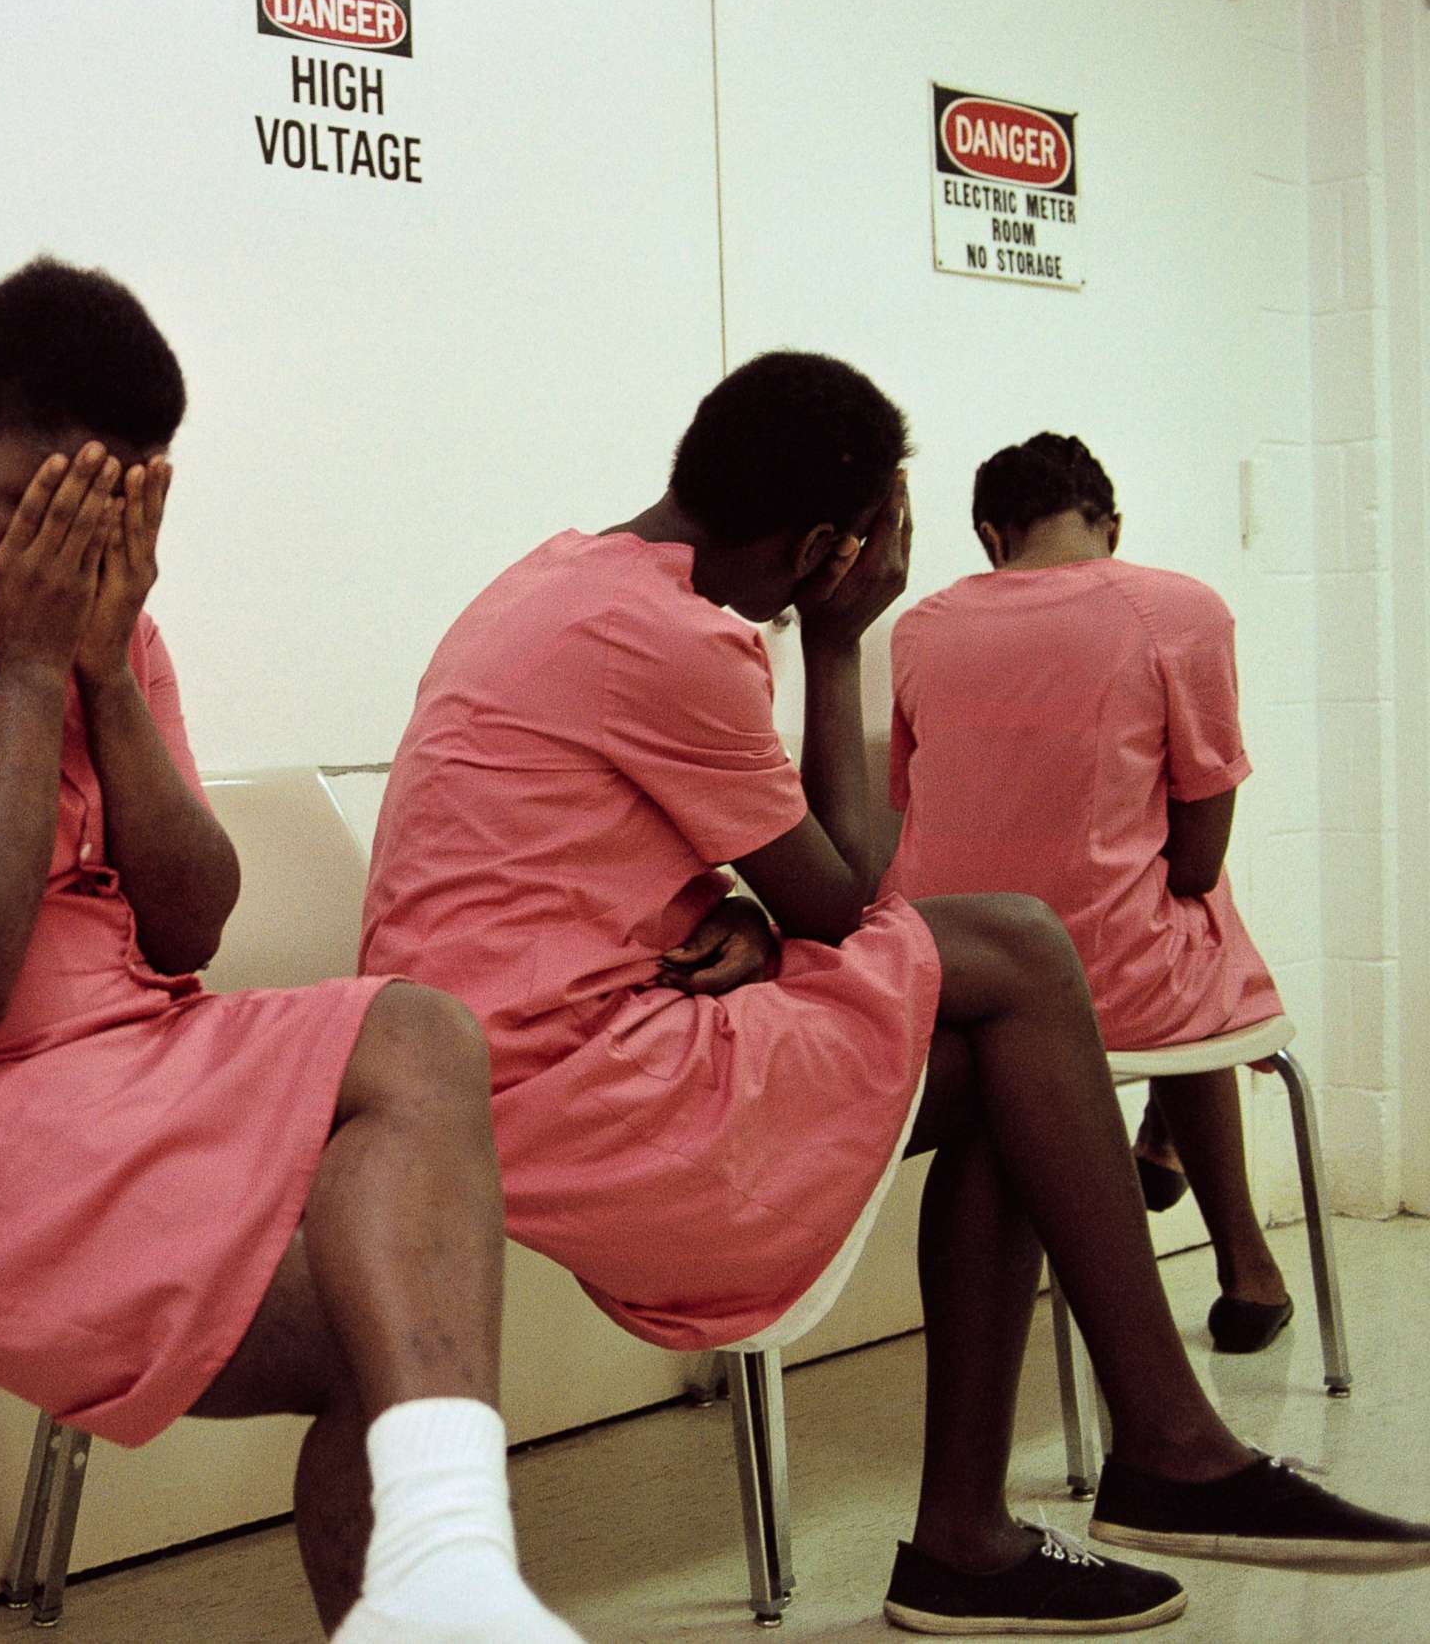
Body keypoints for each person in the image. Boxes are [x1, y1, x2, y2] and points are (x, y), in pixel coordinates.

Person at [361, 352, 1430, 1638]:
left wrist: (737, 915)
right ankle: (1167, 1450)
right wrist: (835, 638)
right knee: (1022, 952)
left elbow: (592, 867)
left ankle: (977, 1541)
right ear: (825, 546)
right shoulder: (675, 636)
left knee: (1003, 1064)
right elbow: (848, 891)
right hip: (556, 1088)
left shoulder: (560, 579)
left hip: (492, 1049)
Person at [0, 258, 581, 1643]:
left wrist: (107, 668)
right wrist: (25, 665)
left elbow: (191, 925)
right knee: (408, 1334)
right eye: (34, 510)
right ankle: (446, 1578)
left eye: (107, 522)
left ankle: (444, 1574)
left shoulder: (104, 632)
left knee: (419, 1033)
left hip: (143, 1062)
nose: (67, 558)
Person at [883, 433, 1295, 1352]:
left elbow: (916, 804)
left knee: (1156, 909)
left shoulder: (920, 627)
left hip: (951, 975)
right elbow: (1195, 854)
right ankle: (1244, 1264)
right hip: (1107, 984)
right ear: (1111, 523)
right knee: (1195, 904)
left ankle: (1163, 1142)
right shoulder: (1179, 610)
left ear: (993, 533)